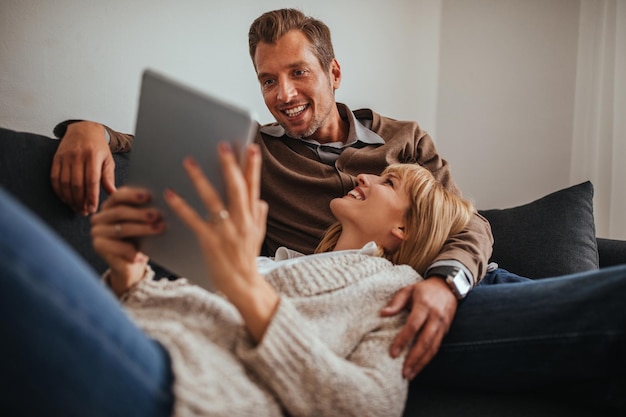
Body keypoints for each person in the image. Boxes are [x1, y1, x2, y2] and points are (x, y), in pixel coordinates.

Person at [47, 8, 626, 412]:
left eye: (298, 72)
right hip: (384, 304)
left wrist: (445, 283)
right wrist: (85, 128)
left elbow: (468, 222)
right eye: (267, 79)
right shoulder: (255, 149)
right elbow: (152, 145)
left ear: (334, 73)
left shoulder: (404, 141)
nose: (283, 93)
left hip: (452, 284)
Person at [0, 142, 474, 416]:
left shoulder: (393, 286)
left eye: (389, 183)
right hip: (144, 339)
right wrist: (128, 275)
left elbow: (374, 405)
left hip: (185, 387)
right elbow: (199, 308)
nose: (368, 178)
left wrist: (248, 290)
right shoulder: (289, 262)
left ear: (403, 230)